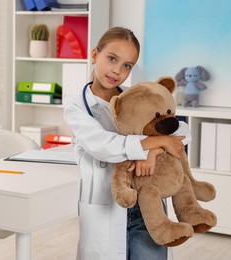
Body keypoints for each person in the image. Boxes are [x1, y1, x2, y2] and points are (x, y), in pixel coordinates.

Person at [63, 27, 191, 260]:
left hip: (147, 207)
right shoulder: (76, 108)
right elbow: (104, 146)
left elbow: (180, 130)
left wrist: (152, 151)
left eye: (127, 66)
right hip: (108, 205)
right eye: (112, 58)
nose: (117, 70)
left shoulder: (136, 97)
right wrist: (156, 142)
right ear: (94, 55)